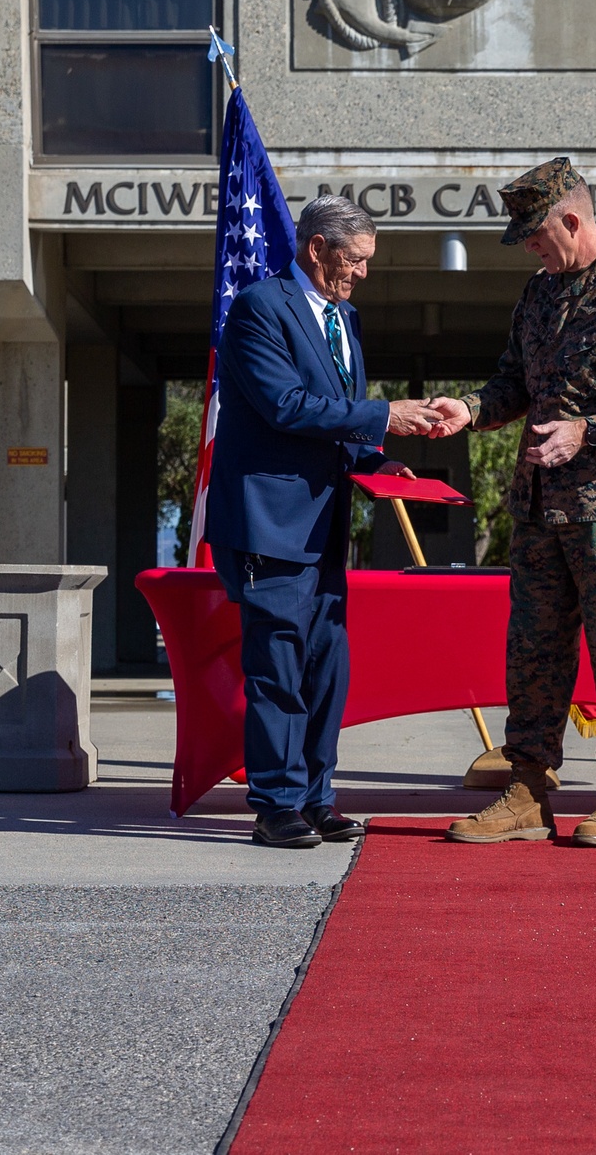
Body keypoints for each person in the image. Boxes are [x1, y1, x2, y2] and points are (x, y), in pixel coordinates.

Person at [429, 158, 596, 847]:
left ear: (572, 220)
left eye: (538, 237)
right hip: (541, 508)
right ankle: (527, 788)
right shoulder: (539, 295)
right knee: (533, 653)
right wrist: (472, 409)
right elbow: (513, 384)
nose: (533, 251)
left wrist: (587, 431)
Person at [207, 195, 440, 849]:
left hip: (325, 529)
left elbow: (339, 415)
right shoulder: (259, 308)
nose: (363, 272)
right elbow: (286, 405)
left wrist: (379, 462)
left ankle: (315, 798)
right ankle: (275, 805)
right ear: (317, 249)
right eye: (356, 258)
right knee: (278, 668)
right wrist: (383, 415)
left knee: (324, 668)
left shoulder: (345, 320)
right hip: (270, 527)